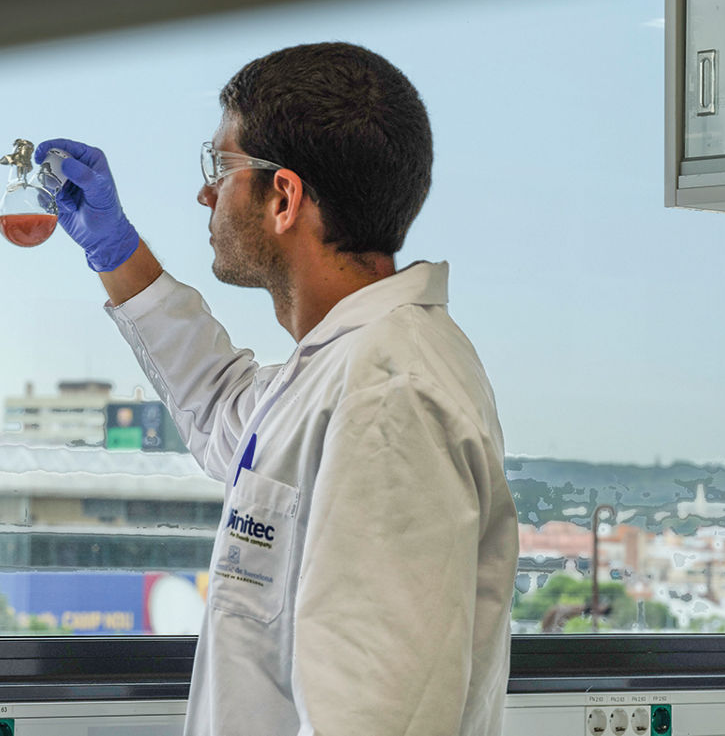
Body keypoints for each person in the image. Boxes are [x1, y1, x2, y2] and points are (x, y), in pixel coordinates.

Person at [36, 42, 518, 736]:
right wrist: (115, 250)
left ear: (284, 196)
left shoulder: (391, 394)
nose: (208, 192)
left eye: (223, 168)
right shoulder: (341, 365)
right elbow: (218, 404)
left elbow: (374, 717)